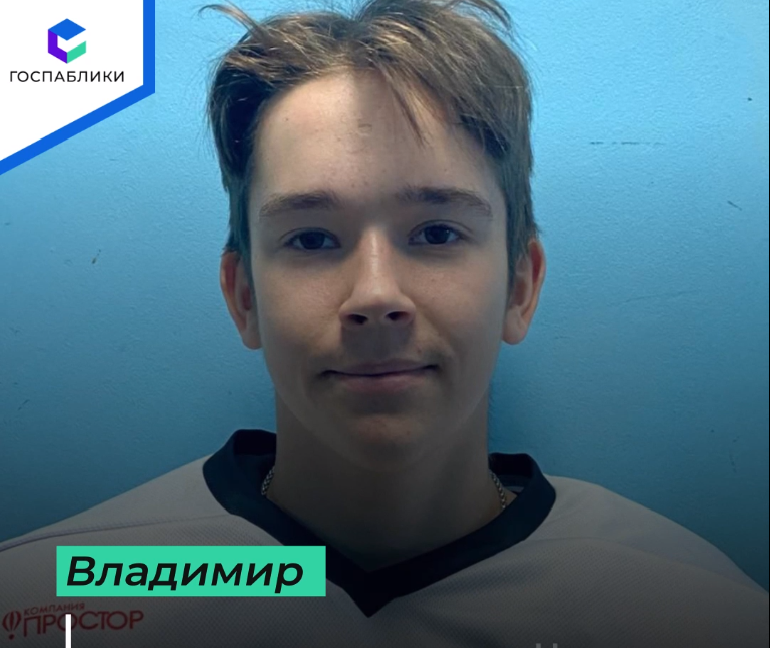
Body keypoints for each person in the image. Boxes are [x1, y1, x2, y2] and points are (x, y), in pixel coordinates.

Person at [0, 1, 767, 647]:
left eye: (435, 232)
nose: (374, 294)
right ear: (243, 297)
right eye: (312, 239)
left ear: (520, 287)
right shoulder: (49, 596)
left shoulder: (692, 611)